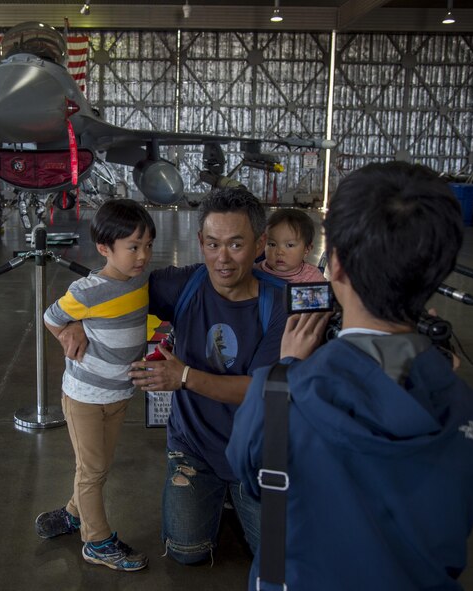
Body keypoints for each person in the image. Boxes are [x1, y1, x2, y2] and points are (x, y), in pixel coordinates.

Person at [226, 161, 473, 590]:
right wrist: (441, 382)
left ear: (335, 267)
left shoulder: (277, 399)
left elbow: (249, 476)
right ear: (439, 271)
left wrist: (286, 368)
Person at [127, 187, 288, 564]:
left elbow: (260, 391)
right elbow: (113, 288)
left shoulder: (279, 304)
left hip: (256, 450)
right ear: (200, 241)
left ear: (260, 242)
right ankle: (211, 489)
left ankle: (236, 494)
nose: (223, 259)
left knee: (278, 557)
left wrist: (182, 376)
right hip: (193, 447)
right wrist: (70, 323)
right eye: (213, 244)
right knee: (187, 551)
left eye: (236, 244)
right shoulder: (182, 285)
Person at [34, 198, 155, 572]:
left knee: (99, 465)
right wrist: (69, 333)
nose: (142, 256)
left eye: (147, 245)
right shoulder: (88, 291)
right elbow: (50, 316)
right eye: (133, 247)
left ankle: (73, 514)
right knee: (93, 470)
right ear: (105, 248)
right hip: (85, 396)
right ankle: (97, 542)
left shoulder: (142, 279)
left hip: (119, 394)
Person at [256, 208, 326, 283]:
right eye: (272, 244)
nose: (279, 252)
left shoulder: (313, 278)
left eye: (289, 245)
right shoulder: (255, 272)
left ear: (307, 249)